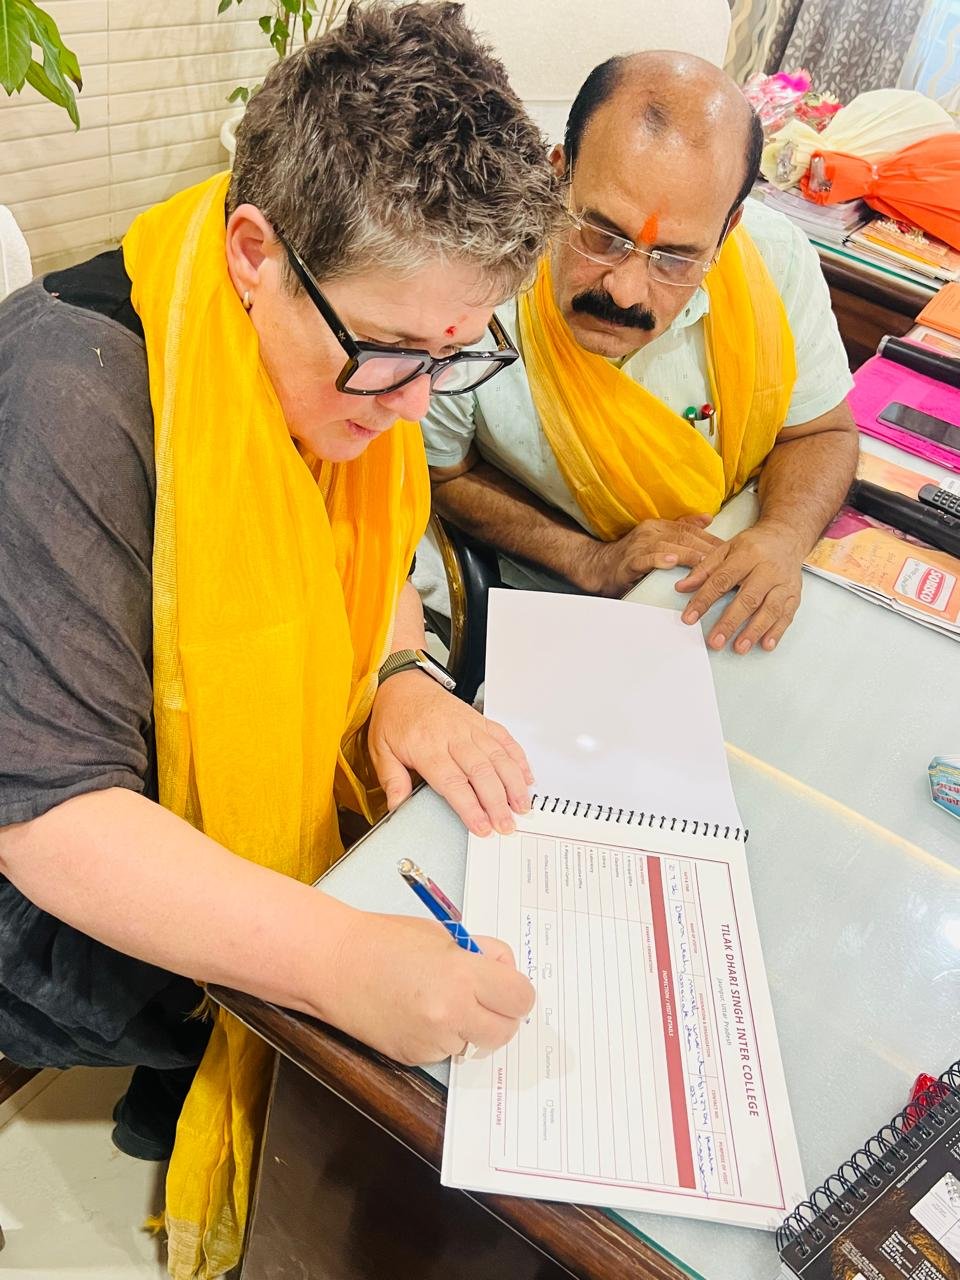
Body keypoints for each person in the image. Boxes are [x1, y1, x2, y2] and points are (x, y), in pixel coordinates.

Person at [0, 4, 562, 1275]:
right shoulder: (71, 400)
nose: (415, 406)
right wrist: (334, 958)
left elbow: (377, 568)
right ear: (255, 250)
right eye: (392, 352)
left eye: (454, 355)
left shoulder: (338, 359)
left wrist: (404, 673)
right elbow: (51, 820)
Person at [423, 51, 860, 656]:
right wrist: (591, 559)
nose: (625, 290)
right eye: (602, 235)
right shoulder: (474, 286)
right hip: (554, 611)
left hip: (731, 600)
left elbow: (823, 432)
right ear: (558, 174)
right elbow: (442, 475)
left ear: (728, 229)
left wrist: (783, 534)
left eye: (675, 258)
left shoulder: (773, 260)